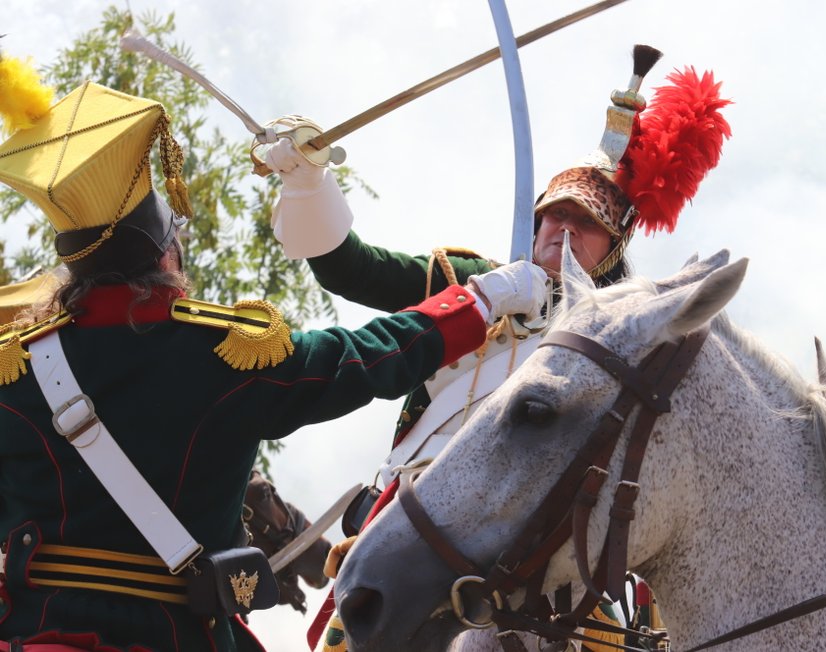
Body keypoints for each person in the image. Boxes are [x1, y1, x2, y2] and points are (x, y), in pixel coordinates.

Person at [0, 75, 547, 651]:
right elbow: (367, 355)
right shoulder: (223, 353)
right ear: (166, 254)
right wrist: (479, 301)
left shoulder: (14, 371)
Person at [266, 45, 732, 651]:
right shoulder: (472, 283)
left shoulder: (630, 343)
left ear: (613, 249)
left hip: (550, 553)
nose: (562, 229)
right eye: (552, 216)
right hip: (416, 525)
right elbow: (350, 269)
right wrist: (307, 180)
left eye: (584, 222)